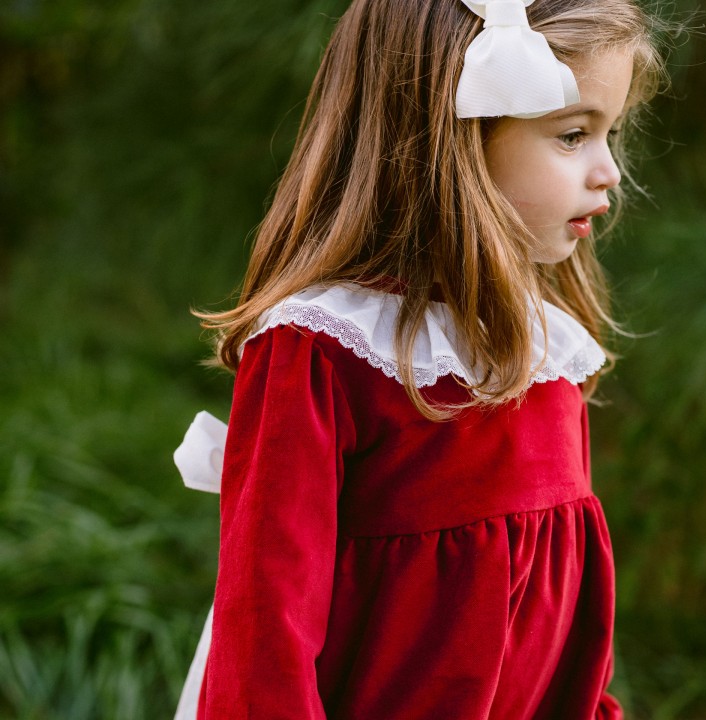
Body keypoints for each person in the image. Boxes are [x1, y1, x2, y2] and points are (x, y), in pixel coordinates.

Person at [173, 0, 666, 717]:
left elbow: (562, 634)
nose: (609, 172)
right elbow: (266, 630)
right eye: (571, 135)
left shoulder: (549, 350)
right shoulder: (322, 347)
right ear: (451, 136)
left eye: (609, 134)